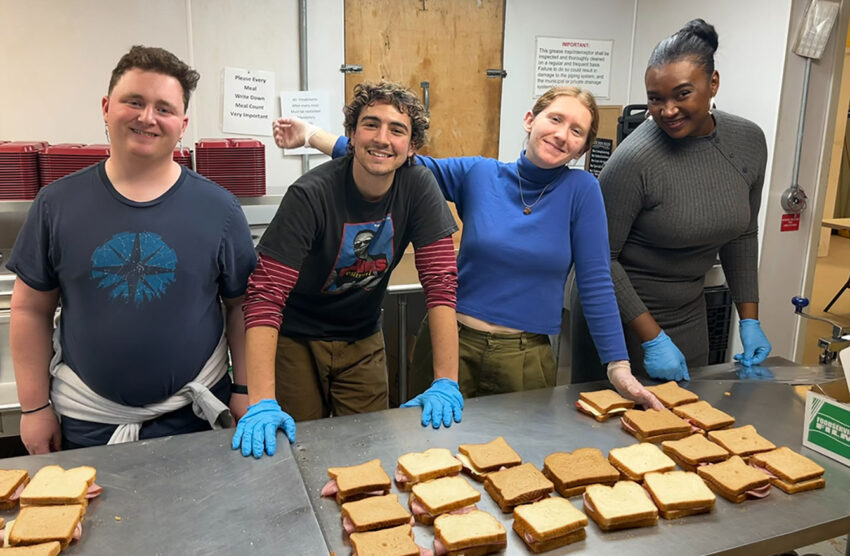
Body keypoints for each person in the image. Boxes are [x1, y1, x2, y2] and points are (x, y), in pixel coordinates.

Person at [272, 86, 661, 410]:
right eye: (555, 119)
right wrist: (309, 134)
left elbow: (594, 282)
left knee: (515, 470)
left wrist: (618, 365)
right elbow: (390, 157)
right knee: (429, 461)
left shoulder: (583, 192)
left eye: (577, 132)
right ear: (530, 120)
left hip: (525, 357)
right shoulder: (480, 174)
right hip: (450, 344)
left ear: (581, 150)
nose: (562, 134)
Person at [8, 46, 256, 451]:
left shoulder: (220, 209)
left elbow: (241, 306)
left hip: (196, 419)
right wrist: (34, 408)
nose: (147, 118)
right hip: (86, 423)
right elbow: (29, 310)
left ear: (182, 123)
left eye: (164, 108)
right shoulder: (55, 204)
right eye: (134, 102)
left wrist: (246, 388)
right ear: (106, 107)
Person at [232, 81, 463, 459]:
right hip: (295, 341)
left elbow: (440, 283)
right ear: (351, 135)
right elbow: (265, 295)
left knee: (368, 454)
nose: (382, 138)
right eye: (371, 124)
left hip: (362, 339)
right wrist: (260, 399)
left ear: (412, 148)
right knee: (298, 454)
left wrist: (445, 381)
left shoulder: (419, 187)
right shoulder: (311, 195)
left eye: (397, 130)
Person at [571, 19, 771, 384]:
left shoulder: (749, 142)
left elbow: (744, 233)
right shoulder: (633, 161)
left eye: (682, 94)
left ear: (713, 83)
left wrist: (751, 318)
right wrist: (652, 337)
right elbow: (599, 259)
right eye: (655, 98)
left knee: (690, 421)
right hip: (622, 318)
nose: (667, 110)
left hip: (688, 312)